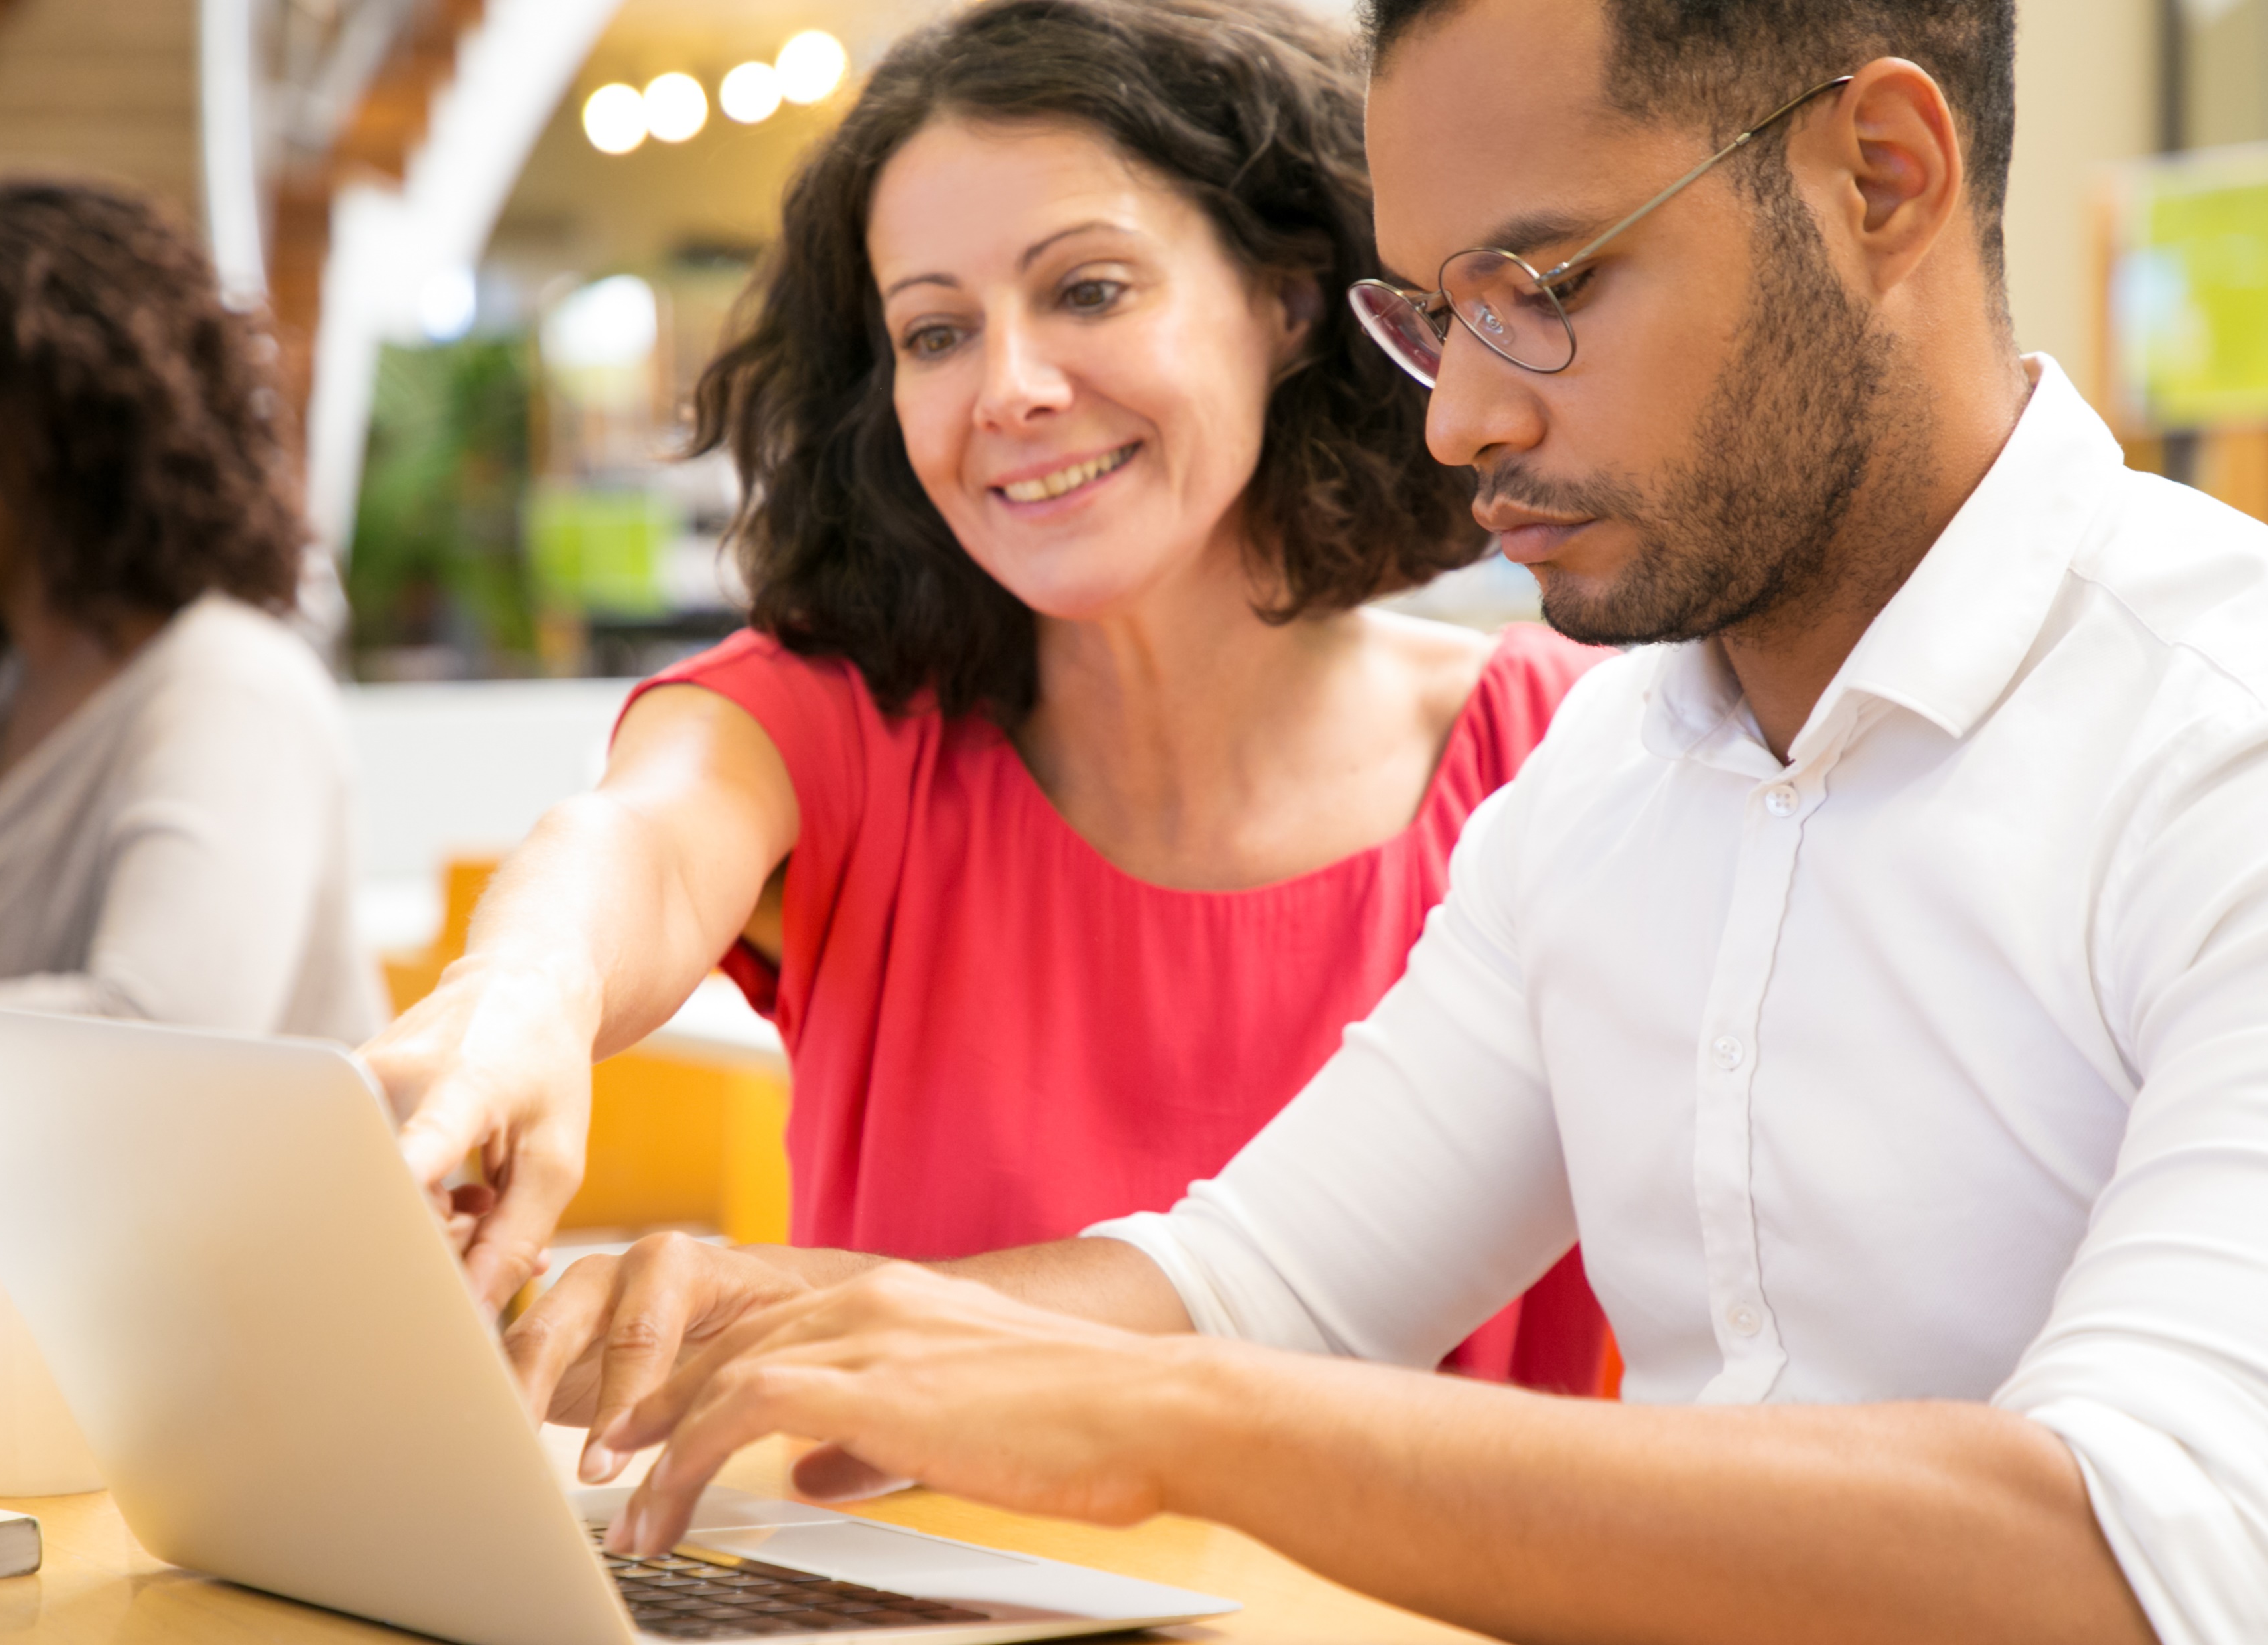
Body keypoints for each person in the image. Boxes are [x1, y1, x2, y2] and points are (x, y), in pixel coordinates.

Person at [500, 1, 2268, 1642]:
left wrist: (1171, 1419)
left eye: (1545, 283)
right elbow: (1256, 1285)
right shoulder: (1612, 776)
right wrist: (751, 1328)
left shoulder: (2216, 738)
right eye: (1432, 313)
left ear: (1875, 177)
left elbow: (2129, 1553)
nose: (1463, 416)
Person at [367, 0, 1611, 1390]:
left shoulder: (1567, 753)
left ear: (1288, 300)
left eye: (1086, 290)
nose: (1007, 389)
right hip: (910, 1606)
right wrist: (521, 990)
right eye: (934, 332)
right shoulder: (832, 733)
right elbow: (638, 844)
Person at [0, 182, 384, 1100]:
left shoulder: (227, 688)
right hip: (13, 1245)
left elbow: (161, 1037)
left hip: (229, 1246)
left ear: (32, 412)